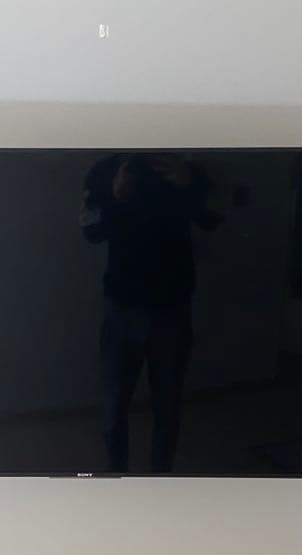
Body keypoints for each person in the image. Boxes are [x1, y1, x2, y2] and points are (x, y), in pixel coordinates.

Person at [80, 153, 220, 473]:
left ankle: (159, 477)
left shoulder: (185, 169)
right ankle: (117, 473)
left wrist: (189, 186)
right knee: (114, 403)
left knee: (167, 404)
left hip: (171, 306)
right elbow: (90, 232)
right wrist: (115, 197)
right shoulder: (106, 170)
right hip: (123, 306)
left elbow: (214, 219)